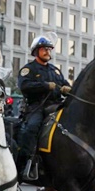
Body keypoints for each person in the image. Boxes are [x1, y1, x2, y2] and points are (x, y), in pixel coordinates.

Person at [16, 34, 71, 181]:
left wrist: (68, 89)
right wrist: (45, 86)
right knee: (31, 128)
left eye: (49, 49)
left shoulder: (55, 71)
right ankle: (24, 165)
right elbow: (24, 85)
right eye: (44, 49)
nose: (47, 52)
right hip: (37, 106)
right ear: (36, 51)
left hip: (57, 105)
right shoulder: (29, 69)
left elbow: (65, 84)